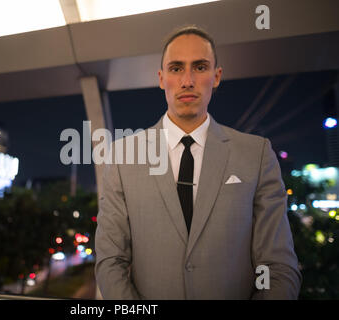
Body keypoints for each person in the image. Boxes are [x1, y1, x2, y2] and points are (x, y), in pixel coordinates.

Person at [94, 25, 302, 299]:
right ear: (161, 78)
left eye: (200, 67)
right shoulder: (122, 158)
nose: (187, 80)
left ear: (216, 77)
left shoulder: (257, 154)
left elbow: (277, 265)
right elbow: (111, 262)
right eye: (176, 68)